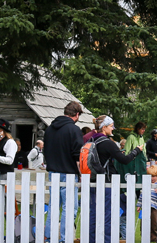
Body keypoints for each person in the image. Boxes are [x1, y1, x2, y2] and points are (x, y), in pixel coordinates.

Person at [86, 115, 142, 243]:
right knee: (107, 215)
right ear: (104, 127)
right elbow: (125, 160)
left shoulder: (90, 141)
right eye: (111, 126)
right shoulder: (107, 143)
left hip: (93, 181)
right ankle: (106, 240)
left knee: (93, 214)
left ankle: (92, 240)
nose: (113, 129)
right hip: (106, 183)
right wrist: (136, 151)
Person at [43, 100, 84, 241]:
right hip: (69, 173)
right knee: (69, 208)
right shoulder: (74, 130)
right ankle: (64, 238)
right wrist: (82, 174)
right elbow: (78, 155)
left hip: (53, 172)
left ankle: (49, 237)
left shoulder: (49, 129)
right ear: (77, 114)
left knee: (53, 207)